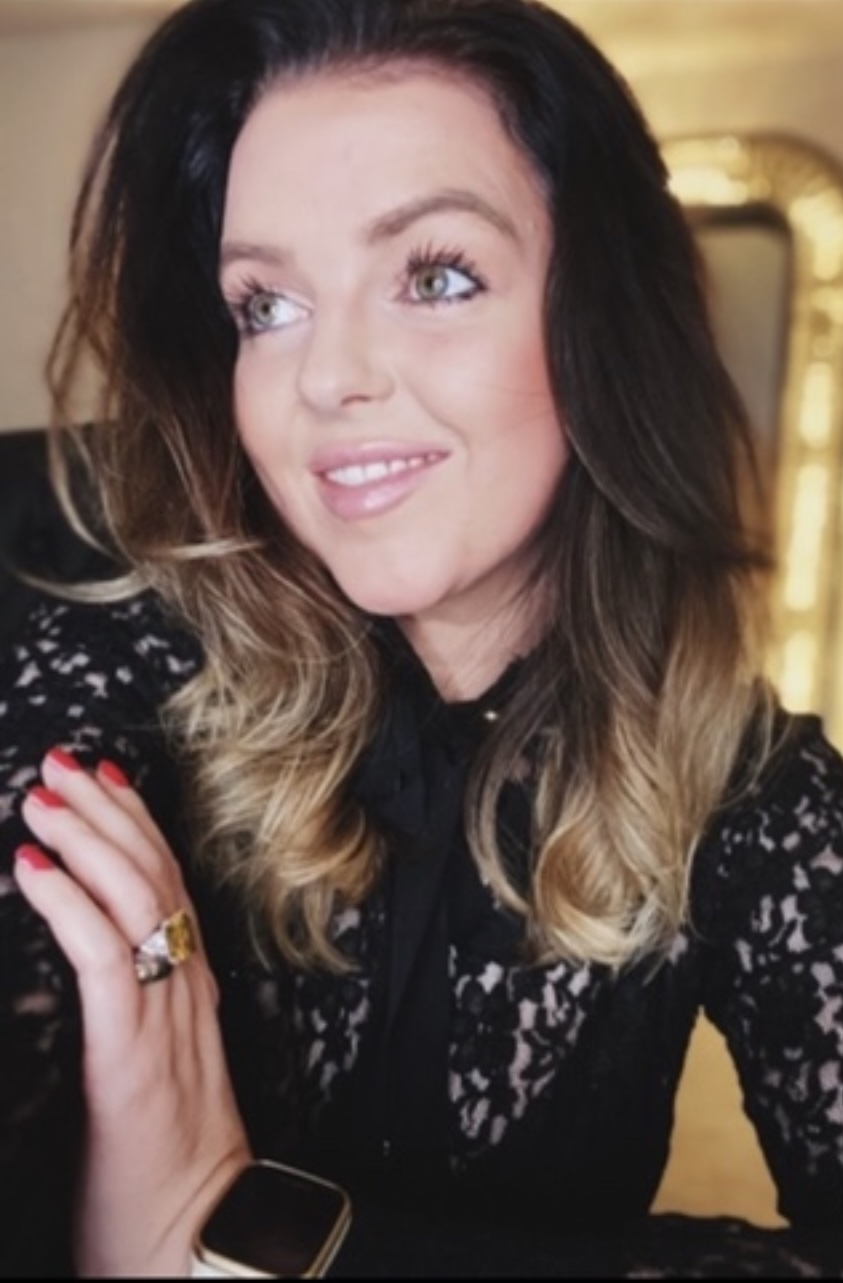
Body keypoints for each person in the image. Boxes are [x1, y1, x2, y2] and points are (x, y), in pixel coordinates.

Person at [1, 0, 842, 1275]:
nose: (325, 376)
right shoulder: (120, 640)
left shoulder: (755, 794)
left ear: (600, 318)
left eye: (436, 275)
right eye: (265, 303)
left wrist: (253, 1244)